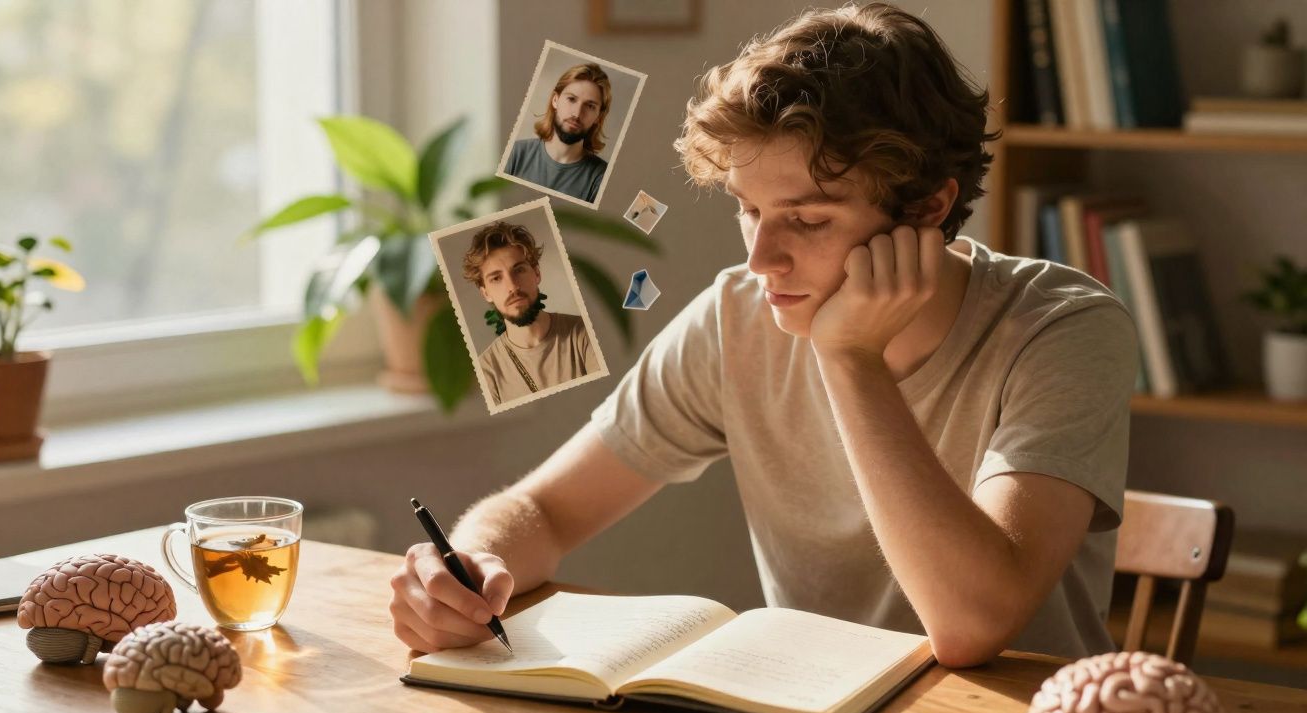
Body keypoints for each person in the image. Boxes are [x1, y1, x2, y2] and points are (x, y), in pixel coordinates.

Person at [392, 3, 1137, 668]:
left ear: (928, 207)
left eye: (808, 220)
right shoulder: (739, 315)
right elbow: (547, 510)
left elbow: (973, 627)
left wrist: (849, 356)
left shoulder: (1062, 327)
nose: (759, 258)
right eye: (748, 209)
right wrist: (468, 566)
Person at [462, 221, 601, 405]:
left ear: (536, 273)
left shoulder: (584, 334)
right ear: (486, 293)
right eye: (496, 278)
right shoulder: (486, 373)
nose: (512, 286)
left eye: (518, 270)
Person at [504, 62, 612, 203]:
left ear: (599, 117)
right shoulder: (515, 153)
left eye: (590, 106)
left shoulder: (601, 177)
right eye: (571, 99)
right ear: (555, 100)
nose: (577, 113)